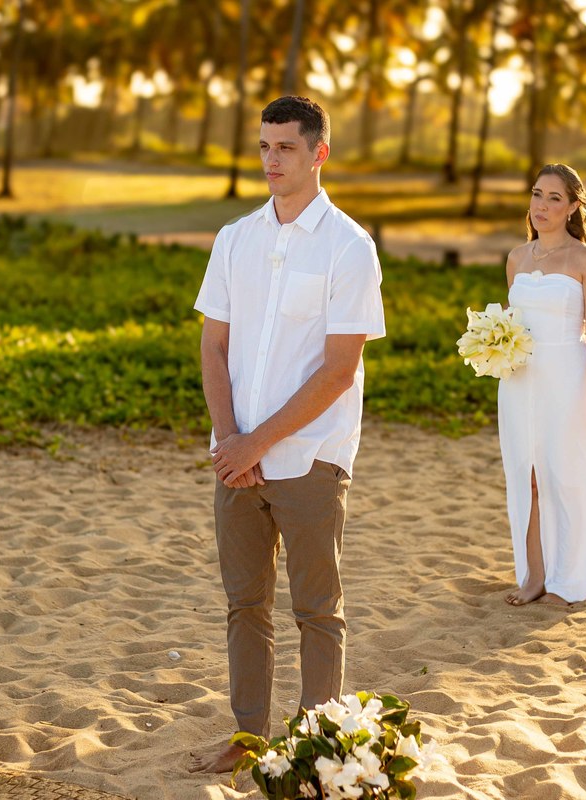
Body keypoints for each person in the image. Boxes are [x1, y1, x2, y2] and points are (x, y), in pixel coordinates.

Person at [187, 96, 386, 773]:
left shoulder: (349, 248)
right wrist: (229, 440)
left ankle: (315, 746)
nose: (272, 160)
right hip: (236, 459)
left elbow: (339, 371)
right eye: (265, 147)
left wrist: (257, 444)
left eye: (287, 149)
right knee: (244, 605)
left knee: (315, 609)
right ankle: (249, 740)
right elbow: (214, 347)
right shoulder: (235, 238)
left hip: (311, 459)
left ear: (319, 153)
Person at [497, 163, 586, 607]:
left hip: (567, 379)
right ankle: (535, 576)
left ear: (572, 208)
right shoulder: (516, 258)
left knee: (564, 477)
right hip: (520, 381)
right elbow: (512, 323)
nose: (540, 206)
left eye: (553, 198)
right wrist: (493, 347)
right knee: (525, 478)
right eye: (536, 194)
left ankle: (570, 579)